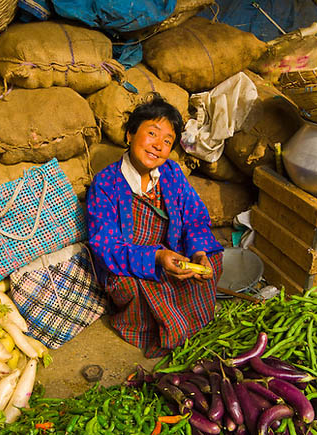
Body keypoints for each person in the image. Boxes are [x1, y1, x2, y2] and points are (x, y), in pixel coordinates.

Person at [86, 95, 224, 358]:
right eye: (152, 134)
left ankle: (187, 321)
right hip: (134, 263)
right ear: (129, 135)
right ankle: (155, 329)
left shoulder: (172, 173)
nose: (158, 146)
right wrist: (157, 257)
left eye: (167, 141)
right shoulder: (105, 184)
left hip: (172, 255)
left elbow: (195, 219)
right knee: (132, 286)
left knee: (213, 260)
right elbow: (106, 246)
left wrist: (197, 252)